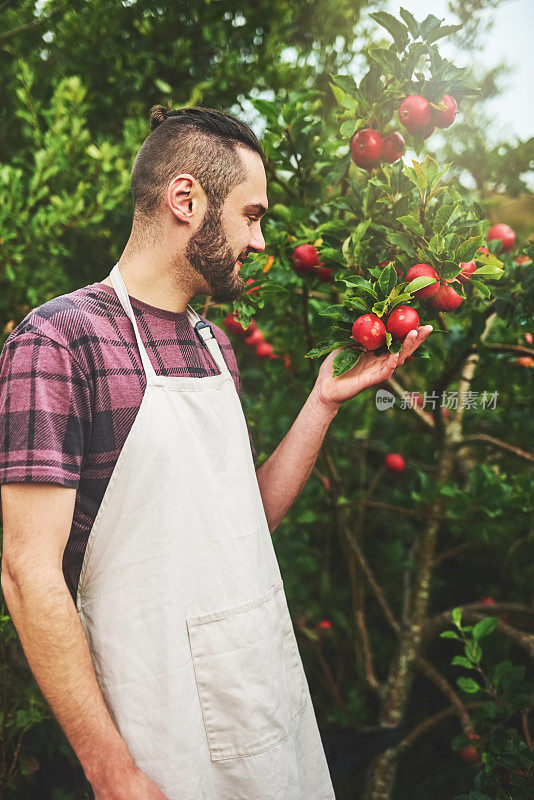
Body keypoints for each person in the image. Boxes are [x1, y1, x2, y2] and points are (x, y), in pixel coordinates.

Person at [0, 104, 432, 800]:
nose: (260, 241)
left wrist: (321, 403)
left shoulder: (212, 344)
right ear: (185, 199)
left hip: (261, 703)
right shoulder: (58, 342)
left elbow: (241, 524)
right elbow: (27, 573)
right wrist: (111, 772)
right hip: (156, 732)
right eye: (252, 214)